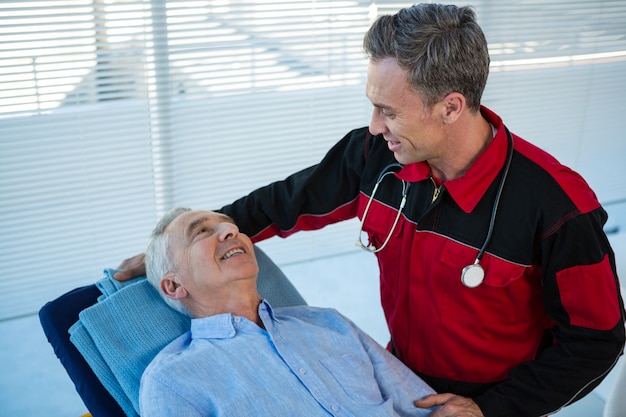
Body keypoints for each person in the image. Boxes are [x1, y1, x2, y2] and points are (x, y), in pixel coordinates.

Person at [119, 4, 625, 416]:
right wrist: (176, 250)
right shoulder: (373, 156)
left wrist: (491, 410)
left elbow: (597, 343)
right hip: (398, 376)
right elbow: (284, 203)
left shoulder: (558, 207)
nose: (375, 125)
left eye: (389, 110)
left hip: (493, 399)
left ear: (450, 107)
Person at [139, 207, 436, 417]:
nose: (231, 231)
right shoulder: (172, 380)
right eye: (201, 232)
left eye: (230, 225)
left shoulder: (329, 322)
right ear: (173, 286)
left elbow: (429, 407)